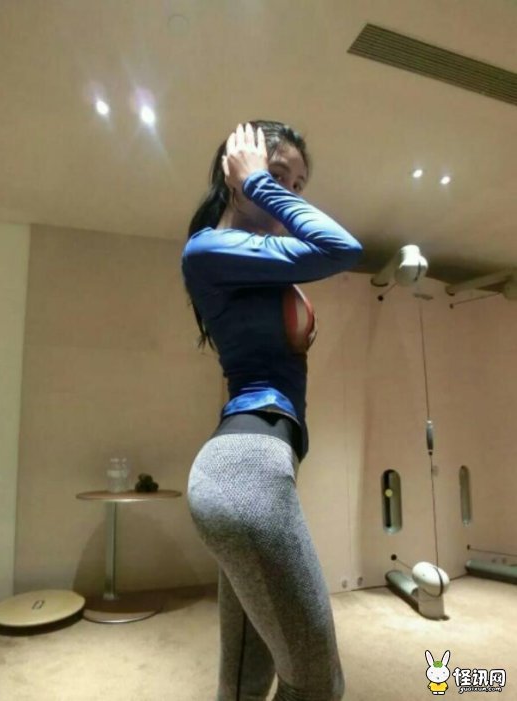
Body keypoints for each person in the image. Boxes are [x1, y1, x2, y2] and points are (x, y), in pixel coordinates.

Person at [181, 121, 363, 701]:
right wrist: (259, 182)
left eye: (297, 186)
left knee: (243, 674)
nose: (289, 193)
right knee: (317, 682)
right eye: (277, 176)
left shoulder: (258, 260)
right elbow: (341, 249)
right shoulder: (208, 249)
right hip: (246, 471)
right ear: (236, 173)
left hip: (254, 469)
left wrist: (265, 185)